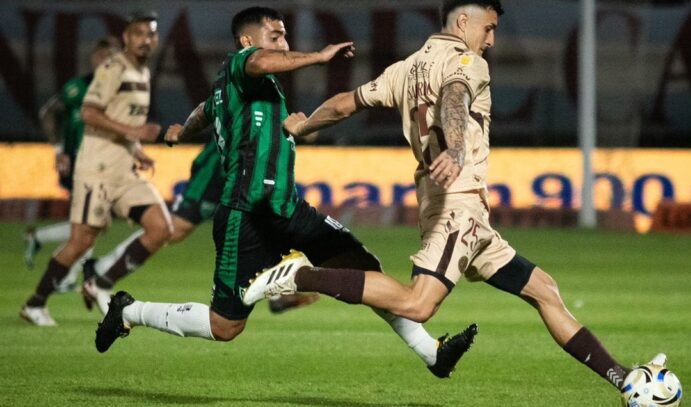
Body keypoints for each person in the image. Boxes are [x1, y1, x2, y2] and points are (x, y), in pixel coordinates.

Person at [249, 0, 666, 391]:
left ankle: (622, 378)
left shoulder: (406, 68)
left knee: (544, 290)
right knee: (418, 305)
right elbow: (454, 97)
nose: (492, 40)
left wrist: (304, 127)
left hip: (459, 210)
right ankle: (299, 276)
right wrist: (455, 146)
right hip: (457, 205)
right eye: (489, 28)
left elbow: (345, 104)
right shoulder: (469, 62)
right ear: (463, 22)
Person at [95, 6, 476, 379]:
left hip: (288, 208)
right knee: (224, 325)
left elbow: (206, 109)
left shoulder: (240, 88)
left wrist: (182, 131)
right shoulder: (240, 65)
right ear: (247, 41)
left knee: (363, 268)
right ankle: (130, 311)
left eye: (285, 36)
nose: (283, 42)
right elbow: (256, 63)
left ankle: (432, 354)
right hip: (246, 214)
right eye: (275, 36)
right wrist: (317, 56)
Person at [21, 11, 171, 326]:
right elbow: (89, 113)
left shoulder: (142, 72)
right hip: (97, 171)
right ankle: (35, 303)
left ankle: (99, 283)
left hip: (124, 169)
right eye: (139, 33)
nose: (146, 39)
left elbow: (124, 119)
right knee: (81, 241)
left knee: (161, 228)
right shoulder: (113, 68)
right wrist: (134, 134)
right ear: (127, 37)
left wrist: (137, 149)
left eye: (151, 34)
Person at [84, 135, 320, 313]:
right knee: (173, 230)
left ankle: (278, 293)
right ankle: (101, 269)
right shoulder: (243, 84)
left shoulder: (265, 95)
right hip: (218, 169)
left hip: (244, 171)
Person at [22, 37, 120, 291]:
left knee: (94, 222)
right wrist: (58, 150)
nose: (105, 60)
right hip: (78, 163)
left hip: (102, 164)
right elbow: (48, 113)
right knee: (91, 221)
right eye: (102, 55)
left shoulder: (119, 90)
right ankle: (64, 277)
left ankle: (40, 241)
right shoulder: (77, 87)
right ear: (94, 58)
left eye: (111, 56)